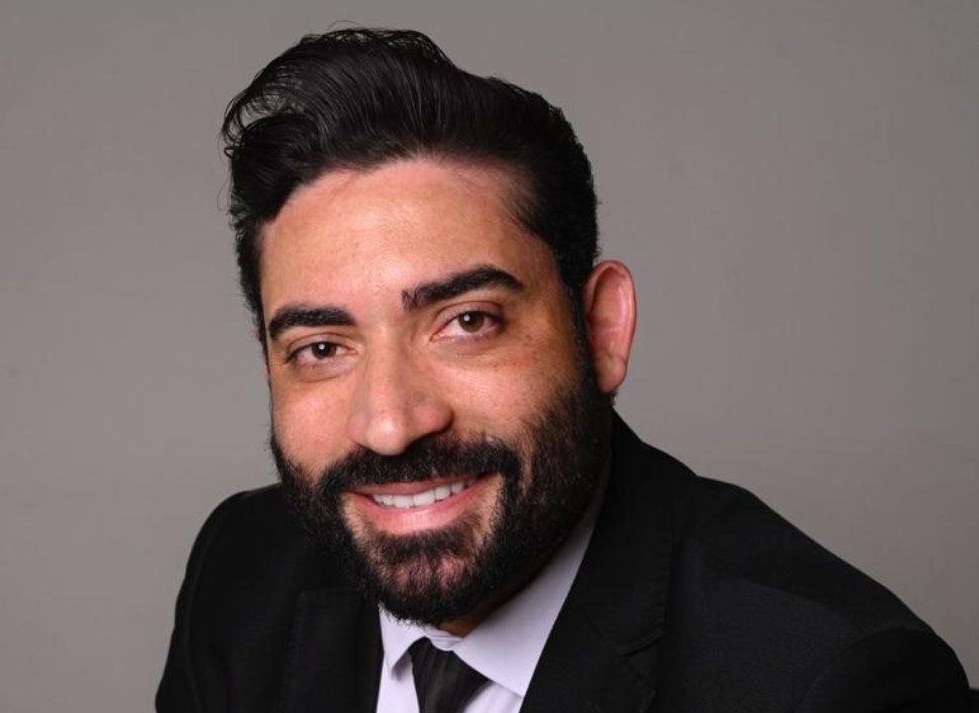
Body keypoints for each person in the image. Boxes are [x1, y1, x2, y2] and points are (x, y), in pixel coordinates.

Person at [156, 28, 971, 713]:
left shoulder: (833, 683)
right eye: (322, 348)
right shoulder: (244, 569)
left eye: (466, 321)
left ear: (601, 328)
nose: (391, 424)